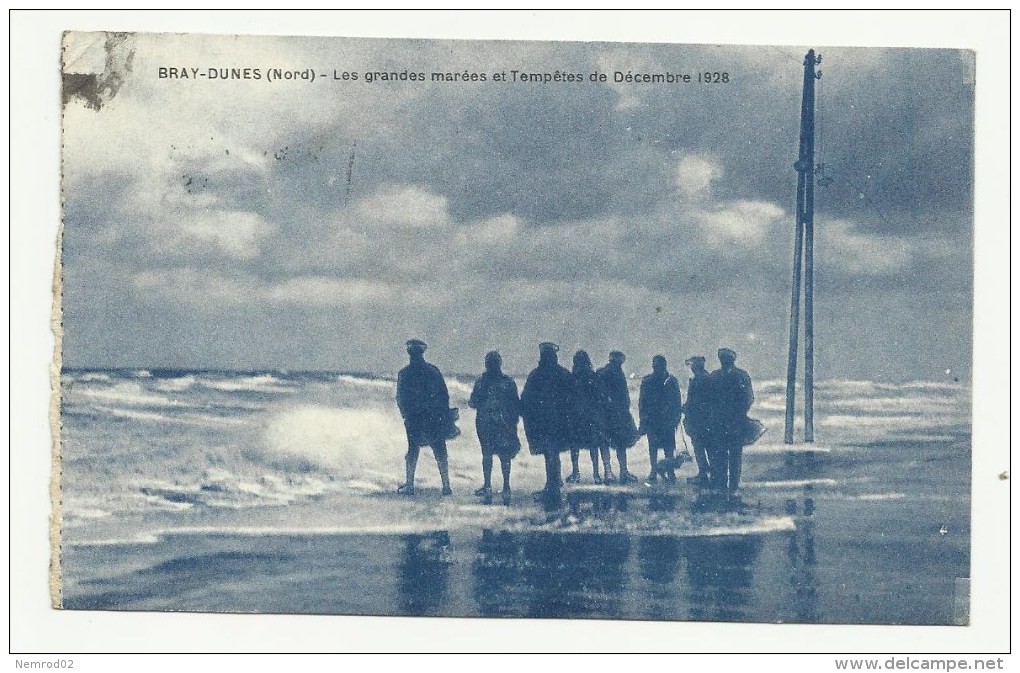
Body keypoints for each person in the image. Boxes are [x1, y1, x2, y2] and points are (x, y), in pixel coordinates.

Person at [395, 339, 453, 496]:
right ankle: (446, 485)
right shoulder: (433, 371)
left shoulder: (404, 373)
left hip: (414, 418)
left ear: (410, 353)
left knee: (413, 450)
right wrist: (443, 414)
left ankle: (410, 485)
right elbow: (444, 395)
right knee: (440, 450)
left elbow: (400, 398)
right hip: (433, 417)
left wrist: (406, 415)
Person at [520, 342, 574, 504]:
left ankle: (552, 486)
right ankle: (554, 482)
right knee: (553, 453)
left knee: (550, 454)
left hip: (544, 423)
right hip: (560, 422)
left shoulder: (536, 375)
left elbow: (526, 399)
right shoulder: (563, 373)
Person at [468, 351, 521, 505]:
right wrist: (513, 422)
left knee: (487, 455)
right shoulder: (508, 382)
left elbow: (473, 402)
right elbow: (515, 405)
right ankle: (506, 486)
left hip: (485, 423)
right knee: (504, 456)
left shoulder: (481, 382)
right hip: (503, 423)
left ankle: (488, 485)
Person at [708, 347, 754, 499]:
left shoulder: (740, 376)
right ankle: (723, 485)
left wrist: (739, 413)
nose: (724, 361)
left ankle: (733, 485)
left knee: (734, 455)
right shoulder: (715, 376)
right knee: (720, 454)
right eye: (722, 359)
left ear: (731, 360)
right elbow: (709, 400)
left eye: (726, 359)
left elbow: (748, 398)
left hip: (735, 422)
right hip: (720, 422)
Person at [566, 350, 613, 484]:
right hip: (593, 417)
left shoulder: (572, 378)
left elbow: (568, 399)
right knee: (594, 445)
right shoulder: (593, 377)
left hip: (576, 417)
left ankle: (576, 473)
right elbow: (601, 396)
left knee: (575, 446)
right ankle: (597, 474)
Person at [597, 351, 641, 484]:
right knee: (620, 444)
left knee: (606, 442)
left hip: (608, 414)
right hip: (617, 414)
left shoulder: (602, 372)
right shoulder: (615, 373)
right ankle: (621, 471)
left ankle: (609, 471)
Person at [638, 355, 683, 482]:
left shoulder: (671, 380)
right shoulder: (647, 381)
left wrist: (676, 417)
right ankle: (653, 470)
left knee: (669, 447)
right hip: (653, 420)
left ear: (664, 366)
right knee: (653, 446)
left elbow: (677, 401)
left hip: (667, 420)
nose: (655, 368)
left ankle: (670, 471)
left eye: (657, 366)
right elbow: (642, 402)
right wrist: (643, 419)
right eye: (654, 366)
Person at [682, 355, 713, 486]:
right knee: (709, 448)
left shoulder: (697, 380)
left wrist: (684, 408)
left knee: (699, 448)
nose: (692, 368)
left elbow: (693, 402)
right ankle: (713, 474)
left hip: (698, 422)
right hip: (708, 421)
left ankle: (703, 474)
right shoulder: (708, 378)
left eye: (692, 366)